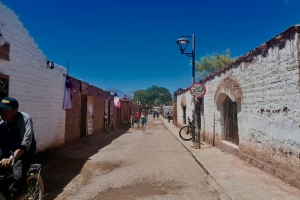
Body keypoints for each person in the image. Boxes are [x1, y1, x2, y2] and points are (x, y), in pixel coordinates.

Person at [0, 97, 37, 200]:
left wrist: (12, 158)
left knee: (18, 178)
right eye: (1, 110)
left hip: (24, 151)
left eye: (6, 111)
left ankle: (18, 196)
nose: (2, 113)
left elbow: (26, 142)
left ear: (15, 110)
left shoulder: (24, 118)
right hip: (7, 148)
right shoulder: (1, 120)